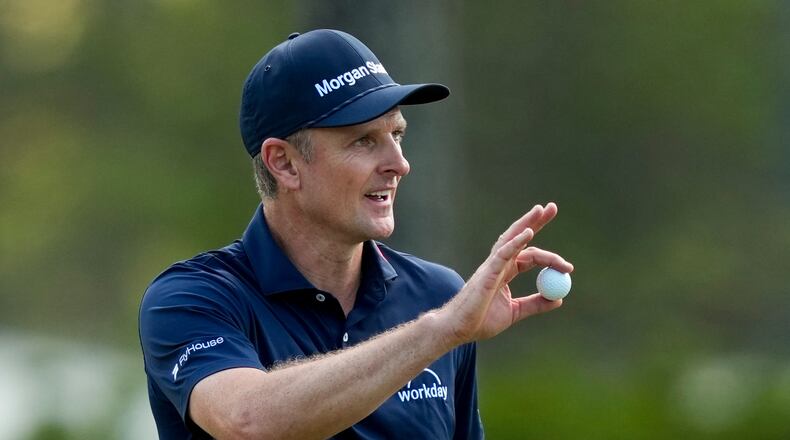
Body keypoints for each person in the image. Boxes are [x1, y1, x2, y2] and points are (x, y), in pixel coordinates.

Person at [139, 29, 573, 439]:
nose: (399, 163)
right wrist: (440, 330)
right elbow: (247, 423)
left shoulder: (436, 294)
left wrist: (445, 325)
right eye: (364, 140)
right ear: (284, 163)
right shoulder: (193, 298)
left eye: (397, 134)